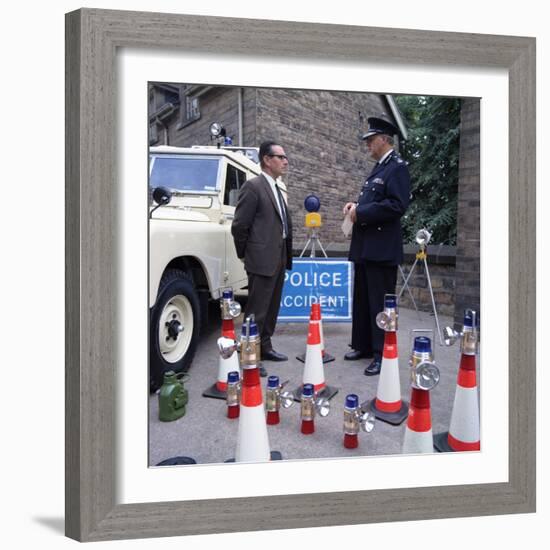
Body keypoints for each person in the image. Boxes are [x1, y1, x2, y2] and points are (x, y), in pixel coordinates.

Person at [343, 117, 410, 376]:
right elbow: (372, 203)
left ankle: (383, 353)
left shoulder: (397, 167)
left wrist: (363, 212)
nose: (367, 145)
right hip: (366, 247)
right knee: (362, 299)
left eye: (371, 140)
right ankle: (363, 345)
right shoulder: (379, 168)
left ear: (384, 139)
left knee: (380, 304)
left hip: (381, 249)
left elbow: (397, 205)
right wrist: (354, 207)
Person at [231, 140, 293, 366]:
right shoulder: (254, 186)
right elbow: (239, 225)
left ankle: (265, 347)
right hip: (260, 259)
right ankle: (250, 359)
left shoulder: (276, 187)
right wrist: (245, 254)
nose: (286, 161)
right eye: (281, 157)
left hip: (278, 258)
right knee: (256, 312)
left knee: (271, 308)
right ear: (267, 160)